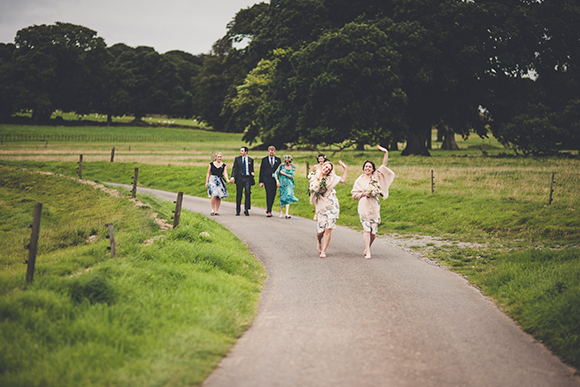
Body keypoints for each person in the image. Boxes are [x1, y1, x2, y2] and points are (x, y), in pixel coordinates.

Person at [351, 145, 395, 259]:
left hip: (374, 206)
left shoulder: (376, 177)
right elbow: (354, 194)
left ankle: (367, 247)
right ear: (363, 168)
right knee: (366, 229)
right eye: (366, 166)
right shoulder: (359, 180)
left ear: (373, 169)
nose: (367, 168)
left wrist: (386, 152)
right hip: (363, 206)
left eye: (370, 167)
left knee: (373, 232)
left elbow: (384, 166)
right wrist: (363, 194)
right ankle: (369, 252)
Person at [309, 160, 347, 258]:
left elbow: (343, 180)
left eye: (329, 169)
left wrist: (345, 168)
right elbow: (313, 191)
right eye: (326, 167)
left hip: (332, 205)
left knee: (328, 229)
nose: (326, 169)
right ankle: (319, 241)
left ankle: (324, 251)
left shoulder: (330, 179)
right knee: (320, 231)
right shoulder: (314, 177)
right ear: (322, 166)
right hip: (322, 206)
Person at [230, 146, 255, 216]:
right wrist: (232, 177)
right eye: (240, 151)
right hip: (239, 178)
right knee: (239, 194)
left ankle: (246, 209)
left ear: (246, 152)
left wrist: (252, 172)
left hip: (247, 178)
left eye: (242, 151)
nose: (240, 152)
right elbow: (234, 168)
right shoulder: (237, 159)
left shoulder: (250, 160)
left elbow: (251, 169)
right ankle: (238, 210)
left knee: (247, 193)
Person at [259, 145, 282, 217]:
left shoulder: (278, 160)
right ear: (268, 152)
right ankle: (269, 211)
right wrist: (261, 181)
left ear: (274, 152)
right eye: (270, 152)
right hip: (267, 179)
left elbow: (280, 170)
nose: (271, 154)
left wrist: (280, 180)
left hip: (275, 180)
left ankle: (269, 207)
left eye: (273, 152)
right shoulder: (264, 160)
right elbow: (261, 170)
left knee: (273, 194)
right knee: (268, 194)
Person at [275, 154, 299, 218]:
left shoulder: (292, 167)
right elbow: (276, 173)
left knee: (288, 196)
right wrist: (277, 181)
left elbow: (292, 176)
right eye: (285, 160)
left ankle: (287, 213)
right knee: (282, 197)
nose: (286, 162)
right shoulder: (281, 165)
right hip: (282, 183)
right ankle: (281, 212)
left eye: (288, 161)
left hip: (289, 184)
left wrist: (283, 173)